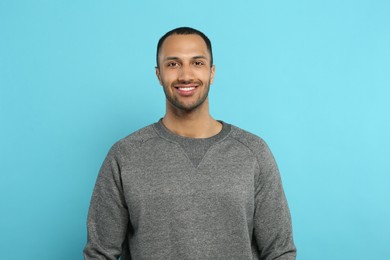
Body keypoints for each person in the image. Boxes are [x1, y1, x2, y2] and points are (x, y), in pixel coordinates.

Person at [83, 27, 296, 260]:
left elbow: (279, 251)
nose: (185, 75)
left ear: (212, 73)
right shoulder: (125, 155)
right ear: (158, 74)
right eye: (173, 64)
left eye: (197, 63)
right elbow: (100, 253)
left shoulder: (253, 152)